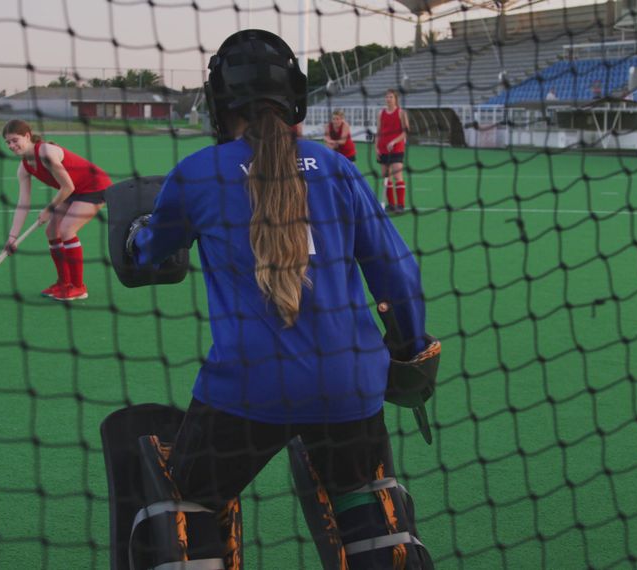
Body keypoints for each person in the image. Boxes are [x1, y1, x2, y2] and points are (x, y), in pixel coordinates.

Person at [128, 29, 431, 566]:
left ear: (221, 102)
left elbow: (149, 253)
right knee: (362, 496)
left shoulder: (198, 173)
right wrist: (409, 346)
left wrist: (136, 234)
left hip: (249, 385)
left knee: (186, 501)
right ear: (294, 96)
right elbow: (398, 273)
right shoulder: (335, 167)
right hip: (349, 383)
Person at [2, 119, 112, 301]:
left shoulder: (45, 152)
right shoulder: (24, 167)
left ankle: (78, 287)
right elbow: (23, 204)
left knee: (67, 229)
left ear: (27, 136)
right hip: (75, 189)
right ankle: (63, 283)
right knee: (51, 231)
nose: (12, 145)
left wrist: (48, 209)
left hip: (95, 186)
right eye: (8, 142)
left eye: (15, 140)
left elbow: (67, 186)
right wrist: (12, 237)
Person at [376, 89, 410, 214]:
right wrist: (377, 147)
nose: (388, 99)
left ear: (395, 99)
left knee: (397, 176)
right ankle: (391, 204)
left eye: (391, 97)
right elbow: (379, 132)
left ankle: (400, 205)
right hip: (383, 148)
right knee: (386, 176)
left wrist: (394, 142)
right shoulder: (381, 113)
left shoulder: (401, 113)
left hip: (397, 148)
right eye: (386, 97)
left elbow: (406, 131)